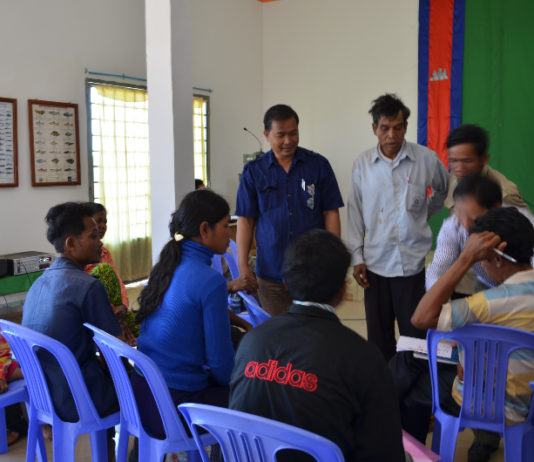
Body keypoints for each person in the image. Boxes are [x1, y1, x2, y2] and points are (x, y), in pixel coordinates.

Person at [230, 229, 405, 461]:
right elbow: (386, 453)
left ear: (286, 283)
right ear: (343, 291)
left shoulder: (251, 342)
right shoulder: (364, 359)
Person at [391, 207, 534, 462]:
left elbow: (420, 317)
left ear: (498, 257)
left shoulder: (488, 303)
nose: (481, 267)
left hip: (484, 402)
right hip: (528, 400)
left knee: (409, 382)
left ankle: (406, 450)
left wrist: (465, 259)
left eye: (482, 260)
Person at [347, 93, 449, 361]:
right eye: (385, 128)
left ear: (405, 127)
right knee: (378, 340)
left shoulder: (425, 159)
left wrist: (423, 213)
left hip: (411, 266)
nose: (391, 135)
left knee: (415, 339)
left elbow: (444, 189)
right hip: (374, 266)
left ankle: (413, 386)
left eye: (398, 127)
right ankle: (383, 384)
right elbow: (355, 212)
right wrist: (357, 257)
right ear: (374, 129)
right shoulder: (362, 165)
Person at [133, 189, 235, 439]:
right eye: (225, 225)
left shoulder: (165, 266)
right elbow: (222, 369)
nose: (230, 233)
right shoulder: (210, 281)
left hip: (142, 397)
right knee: (259, 395)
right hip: (177, 408)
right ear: (205, 229)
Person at [235, 104, 344, 316]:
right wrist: (243, 266)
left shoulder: (318, 165)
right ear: (267, 135)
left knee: (312, 330)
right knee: (277, 331)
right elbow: (245, 220)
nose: (288, 140)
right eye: (281, 135)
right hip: (271, 274)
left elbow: (330, 212)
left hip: (313, 272)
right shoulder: (254, 172)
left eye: (293, 133)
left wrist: (334, 259)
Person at [22, 203, 120, 432]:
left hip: (44, 396)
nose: (100, 241)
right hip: (79, 400)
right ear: (71, 243)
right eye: (93, 236)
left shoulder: (38, 284)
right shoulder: (89, 286)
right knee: (147, 388)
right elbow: (112, 353)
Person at [426, 176, 502, 296]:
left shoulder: (519, 226)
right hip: (489, 288)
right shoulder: (453, 227)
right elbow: (437, 270)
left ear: (496, 209)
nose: (466, 226)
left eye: (474, 218)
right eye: (460, 216)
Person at [84, 202, 137, 343]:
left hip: (116, 309)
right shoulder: (82, 254)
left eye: (105, 222)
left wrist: (123, 305)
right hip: (97, 311)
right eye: (98, 221)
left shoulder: (105, 252)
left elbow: (118, 282)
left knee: (146, 326)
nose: (102, 226)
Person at [444, 124, 528, 211]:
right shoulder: (456, 176)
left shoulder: (505, 195)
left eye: (467, 161)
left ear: (484, 159)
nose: (459, 168)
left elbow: (524, 220)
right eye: (453, 160)